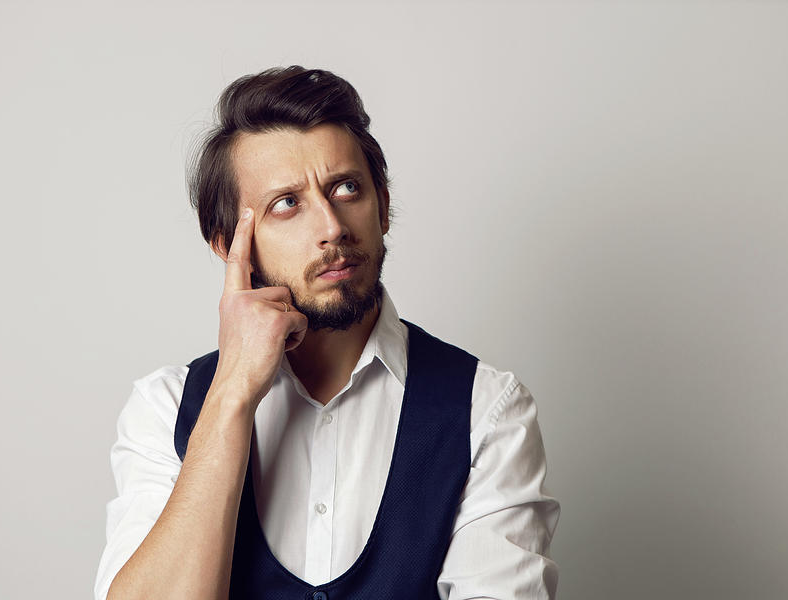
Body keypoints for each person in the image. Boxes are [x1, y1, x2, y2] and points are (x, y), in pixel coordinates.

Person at [95, 66, 560, 600]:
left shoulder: (486, 408)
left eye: (346, 188)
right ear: (227, 244)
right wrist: (232, 394)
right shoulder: (167, 408)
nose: (332, 227)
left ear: (382, 206)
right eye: (287, 203)